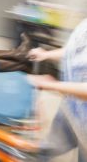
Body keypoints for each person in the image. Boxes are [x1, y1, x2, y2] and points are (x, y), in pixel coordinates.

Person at [28, 19, 87, 161]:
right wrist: (47, 54)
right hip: (70, 108)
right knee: (48, 148)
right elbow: (76, 50)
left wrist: (52, 85)